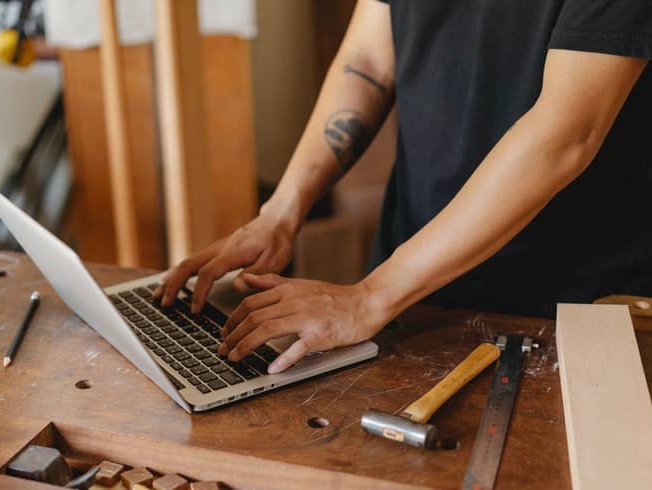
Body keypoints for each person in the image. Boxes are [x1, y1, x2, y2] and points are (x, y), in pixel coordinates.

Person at [154, 0, 652, 374]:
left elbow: (566, 132)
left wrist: (370, 297)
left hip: (571, 308)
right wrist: (281, 213)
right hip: (412, 289)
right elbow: (370, 58)